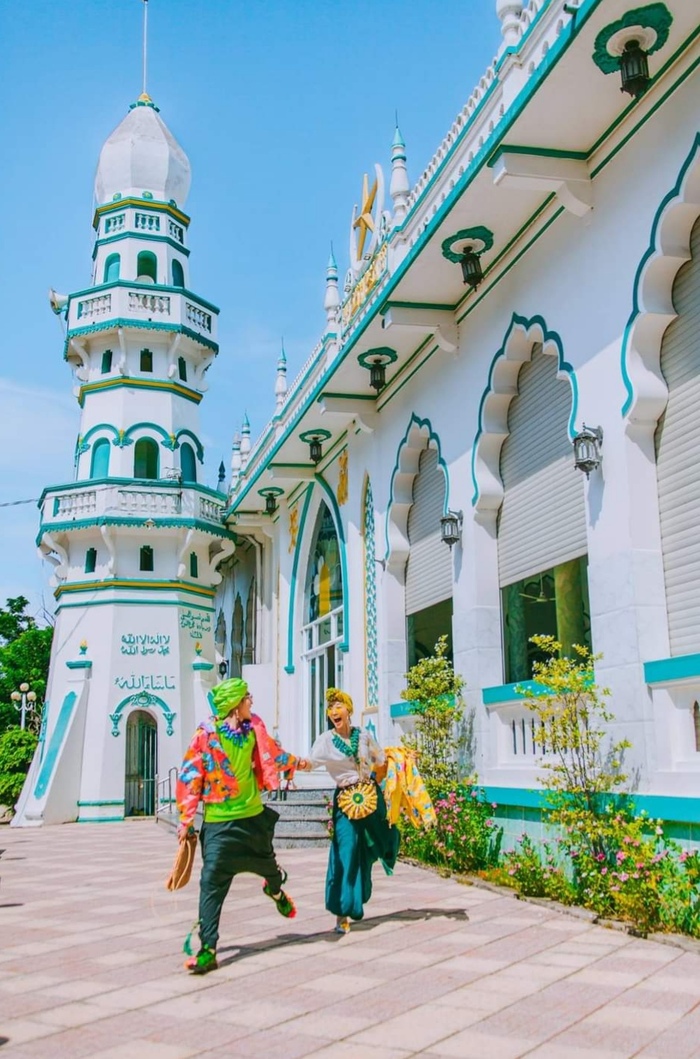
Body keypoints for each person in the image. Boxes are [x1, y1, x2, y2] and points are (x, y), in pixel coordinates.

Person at [176, 677, 308, 974]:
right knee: (210, 884)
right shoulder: (206, 736)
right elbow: (189, 777)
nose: (251, 701)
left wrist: (299, 763)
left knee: (271, 870)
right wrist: (186, 820)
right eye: (247, 697)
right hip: (219, 825)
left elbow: (273, 755)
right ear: (235, 704)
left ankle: (275, 892)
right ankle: (208, 949)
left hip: (252, 819)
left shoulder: (255, 731)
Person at [303, 688, 400, 934]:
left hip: (371, 796)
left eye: (339, 706)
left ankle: (365, 880)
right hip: (346, 801)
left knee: (386, 838)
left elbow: (380, 761)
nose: (334, 711)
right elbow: (310, 762)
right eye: (330, 708)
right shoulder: (325, 740)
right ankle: (342, 912)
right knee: (345, 852)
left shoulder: (365, 736)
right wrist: (290, 762)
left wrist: (401, 761)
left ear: (349, 710)